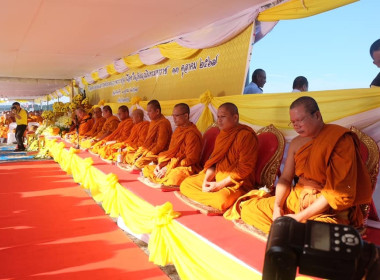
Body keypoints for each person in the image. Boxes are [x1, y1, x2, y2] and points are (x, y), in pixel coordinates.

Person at [224, 96, 373, 234]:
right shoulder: (296, 143)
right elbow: (286, 179)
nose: (296, 126)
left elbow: (336, 193)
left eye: (300, 120)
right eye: (293, 122)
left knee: (316, 234)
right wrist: (277, 207)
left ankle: (289, 231)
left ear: (317, 115)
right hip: (295, 200)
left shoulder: (339, 140)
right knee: (248, 209)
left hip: (325, 210)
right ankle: (289, 231)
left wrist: (299, 217)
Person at [179, 103, 259, 211]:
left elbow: (244, 169)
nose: (219, 120)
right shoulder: (222, 135)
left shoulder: (246, 136)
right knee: (185, 184)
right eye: (218, 117)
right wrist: (206, 181)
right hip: (216, 176)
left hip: (236, 183)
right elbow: (214, 162)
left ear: (235, 117)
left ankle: (211, 198)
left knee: (222, 200)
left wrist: (219, 185)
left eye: (223, 117)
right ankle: (209, 197)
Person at [142, 103, 202, 188]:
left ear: (186, 116)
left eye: (176, 116)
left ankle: (165, 180)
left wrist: (168, 167)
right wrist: (163, 164)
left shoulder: (192, 134)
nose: (174, 119)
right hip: (172, 164)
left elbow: (191, 159)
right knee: (147, 169)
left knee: (173, 178)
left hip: (185, 166)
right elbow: (170, 153)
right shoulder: (178, 130)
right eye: (173, 115)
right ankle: (162, 178)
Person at [123, 100, 172, 170]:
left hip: (159, 152)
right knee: (130, 155)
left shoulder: (163, 123)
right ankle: (145, 164)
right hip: (149, 149)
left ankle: (149, 165)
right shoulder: (152, 122)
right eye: (147, 111)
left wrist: (147, 153)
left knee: (138, 163)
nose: (148, 114)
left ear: (157, 111)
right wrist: (142, 152)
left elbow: (161, 145)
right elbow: (148, 141)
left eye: (149, 111)